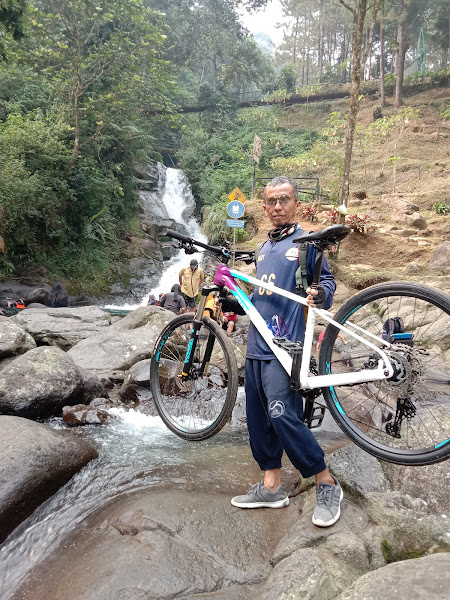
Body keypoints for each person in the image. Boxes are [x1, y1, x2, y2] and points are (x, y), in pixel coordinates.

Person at [224, 176, 342, 528]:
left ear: (296, 203)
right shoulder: (263, 248)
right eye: (271, 201)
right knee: (258, 418)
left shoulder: (307, 244)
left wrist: (320, 295)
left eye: (284, 200)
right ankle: (271, 485)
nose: (278, 206)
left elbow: (328, 285)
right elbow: (263, 296)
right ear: (264, 207)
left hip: (285, 345)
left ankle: (325, 481)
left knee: (281, 412)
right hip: (256, 344)